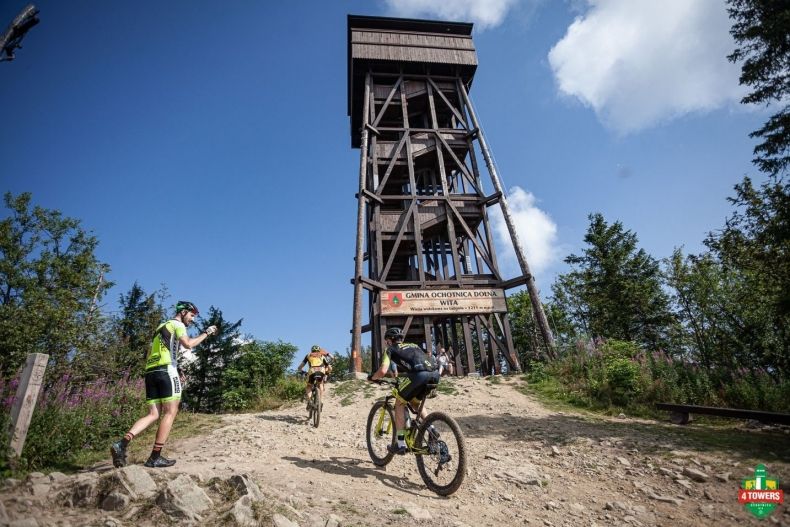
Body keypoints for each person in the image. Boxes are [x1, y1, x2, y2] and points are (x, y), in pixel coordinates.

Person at [110, 300, 217, 468]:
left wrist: (178, 367)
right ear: (183, 312)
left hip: (151, 371)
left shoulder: (161, 326)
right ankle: (155, 457)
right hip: (166, 370)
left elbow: (163, 350)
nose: (193, 319)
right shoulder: (178, 324)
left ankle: (121, 444)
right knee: (170, 412)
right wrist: (206, 333)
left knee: (153, 414)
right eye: (191, 315)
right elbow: (188, 345)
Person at [367, 327, 439, 455]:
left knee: (399, 404)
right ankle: (432, 429)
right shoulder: (414, 345)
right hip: (434, 374)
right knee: (416, 403)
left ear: (389, 340)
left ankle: (400, 444)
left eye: (386, 341)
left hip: (418, 375)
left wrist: (372, 378)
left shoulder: (390, 349)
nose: (386, 343)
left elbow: (383, 370)